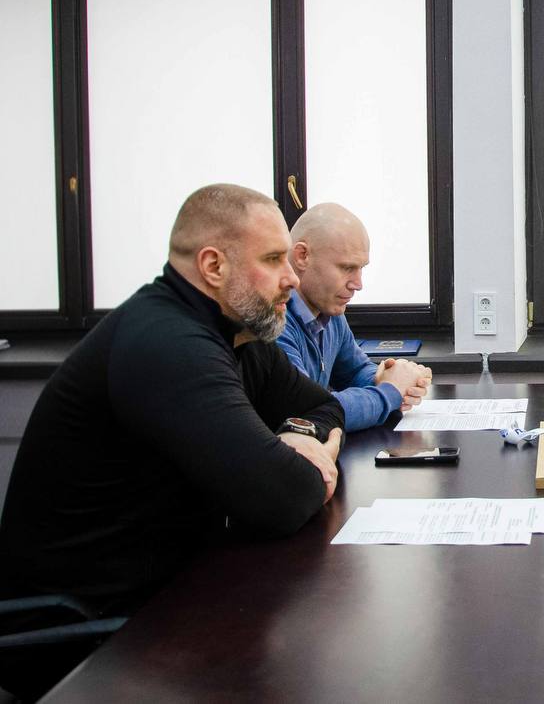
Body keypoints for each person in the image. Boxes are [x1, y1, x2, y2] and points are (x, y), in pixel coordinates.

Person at [0, 184, 344, 700]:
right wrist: (300, 462)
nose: (292, 278)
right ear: (213, 266)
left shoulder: (239, 333)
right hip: (83, 639)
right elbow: (282, 497)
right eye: (273, 259)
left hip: (165, 594)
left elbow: (325, 408)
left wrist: (296, 438)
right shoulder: (167, 342)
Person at [277, 203, 431, 431]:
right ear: (302, 256)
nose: (358, 284)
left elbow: (355, 371)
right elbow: (308, 412)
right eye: (346, 268)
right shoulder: (273, 320)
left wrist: (386, 377)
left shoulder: (329, 309)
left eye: (361, 268)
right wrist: (390, 392)